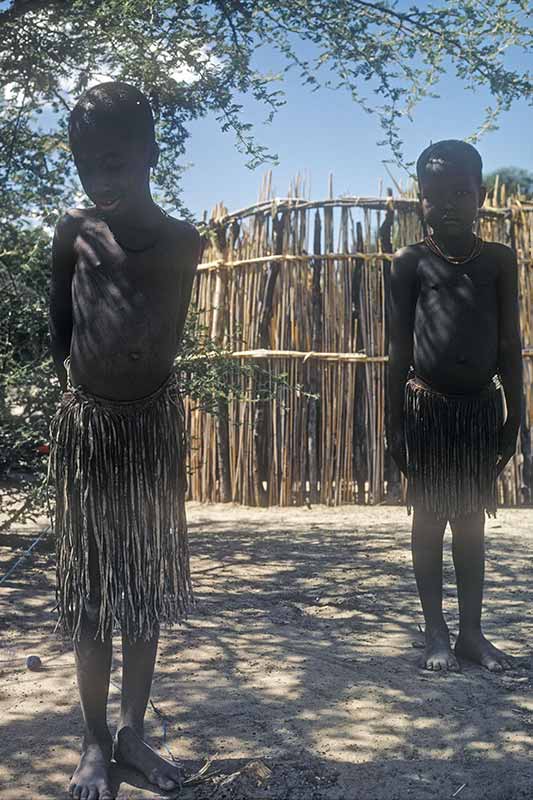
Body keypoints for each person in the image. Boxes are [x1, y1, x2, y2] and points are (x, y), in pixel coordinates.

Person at [48, 82, 200, 799]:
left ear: (149, 153)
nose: (98, 179)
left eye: (113, 161)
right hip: (90, 434)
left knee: (140, 592)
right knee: (88, 599)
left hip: (149, 433)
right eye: (85, 163)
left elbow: (167, 333)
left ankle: (134, 733)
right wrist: (84, 399)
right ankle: (93, 741)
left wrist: (142, 400)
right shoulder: (72, 230)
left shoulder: (181, 242)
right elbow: (61, 332)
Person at [388, 139, 522, 673]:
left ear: (481, 195)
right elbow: (398, 349)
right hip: (428, 412)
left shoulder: (499, 261)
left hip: (479, 411)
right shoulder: (410, 263)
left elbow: (510, 345)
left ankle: (472, 633)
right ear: (419, 199)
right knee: (428, 522)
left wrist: (516, 417)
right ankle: (435, 634)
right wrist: (393, 423)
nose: (448, 204)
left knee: (471, 525)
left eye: (460, 193)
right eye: (434, 194)